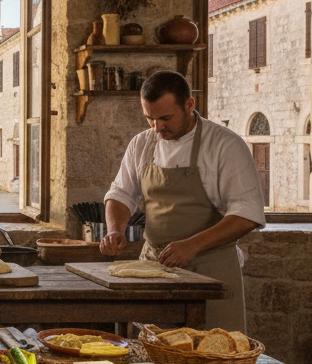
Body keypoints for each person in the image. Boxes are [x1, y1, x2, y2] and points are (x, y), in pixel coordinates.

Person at [100, 70, 265, 332]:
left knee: (212, 356)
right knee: (149, 356)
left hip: (212, 270)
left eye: (166, 118)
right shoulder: (141, 144)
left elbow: (247, 214)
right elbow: (121, 194)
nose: (157, 127)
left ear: (189, 105)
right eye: (150, 119)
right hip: (154, 266)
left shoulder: (225, 145)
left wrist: (192, 245)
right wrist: (114, 230)